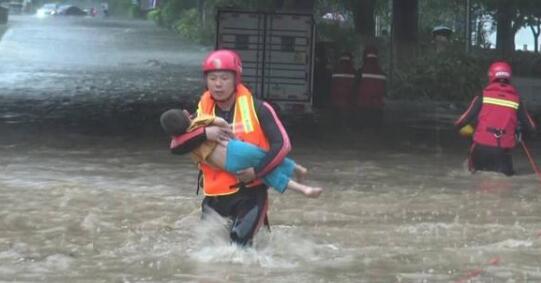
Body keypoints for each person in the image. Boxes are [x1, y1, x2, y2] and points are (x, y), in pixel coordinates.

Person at [169, 49, 294, 246]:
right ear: (206, 81)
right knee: (207, 249)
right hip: (215, 196)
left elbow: (283, 145)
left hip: (250, 194)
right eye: (213, 78)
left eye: (224, 78)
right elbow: (176, 146)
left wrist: (256, 171)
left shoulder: (259, 108)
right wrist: (205, 133)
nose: (218, 84)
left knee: (240, 245)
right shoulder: (200, 114)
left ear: (236, 79)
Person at [161, 109, 322, 197]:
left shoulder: (186, 144)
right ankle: (298, 172)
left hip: (230, 165)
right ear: (185, 114)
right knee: (267, 159)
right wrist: (232, 135)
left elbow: (175, 147)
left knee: (267, 173)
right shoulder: (198, 121)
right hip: (235, 148)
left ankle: (302, 186)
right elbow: (221, 121)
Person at [455, 61, 537, 176]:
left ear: (491, 76)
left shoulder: (483, 95)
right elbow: (531, 127)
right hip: (502, 154)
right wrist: (518, 131)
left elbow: (461, 122)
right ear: (509, 77)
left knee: (474, 179)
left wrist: (468, 131)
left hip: (480, 150)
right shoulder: (516, 100)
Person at [354, 45, 386, 131]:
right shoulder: (382, 72)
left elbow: (355, 86)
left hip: (363, 102)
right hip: (377, 103)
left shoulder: (361, 71)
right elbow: (385, 88)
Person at [330, 51, 356, 128]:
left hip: (337, 96)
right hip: (348, 97)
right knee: (347, 113)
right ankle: (345, 126)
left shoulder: (336, 70)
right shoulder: (353, 71)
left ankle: (338, 126)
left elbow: (332, 84)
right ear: (351, 59)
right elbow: (355, 85)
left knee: (338, 113)